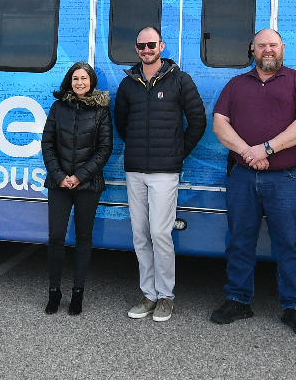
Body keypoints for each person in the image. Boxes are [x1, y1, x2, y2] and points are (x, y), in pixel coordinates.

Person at [209, 29, 296, 337]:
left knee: (288, 243)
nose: (268, 50)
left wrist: (267, 148)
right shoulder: (236, 84)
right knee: (240, 241)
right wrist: (248, 152)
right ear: (253, 49)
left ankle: (294, 307)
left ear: (283, 48)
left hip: (286, 178)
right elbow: (220, 124)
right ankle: (237, 300)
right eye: (262, 45)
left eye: (273, 45)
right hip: (243, 176)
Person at [114, 26, 206, 323]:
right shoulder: (128, 84)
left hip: (166, 172)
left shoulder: (180, 80)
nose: (146, 49)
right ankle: (148, 295)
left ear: (161, 46)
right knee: (140, 234)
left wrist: (177, 153)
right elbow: (121, 123)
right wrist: (140, 149)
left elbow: (198, 122)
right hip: (135, 171)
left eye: (151, 44)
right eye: (141, 46)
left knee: (159, 233)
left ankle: (166, 296)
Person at [40, 61, 113, 316]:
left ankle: (77, 294)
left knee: (83, 238)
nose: (79, 82)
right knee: (56, 238)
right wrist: (60, 176)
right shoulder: (58, 107)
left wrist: (79, 177)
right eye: (75, 78)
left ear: (91, 81)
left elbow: (105, 149)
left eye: (84, 78)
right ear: (69, 82)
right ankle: (54, 292)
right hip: (58, 184)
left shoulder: (102, 110)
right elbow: (47, 143)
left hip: (88, 184)